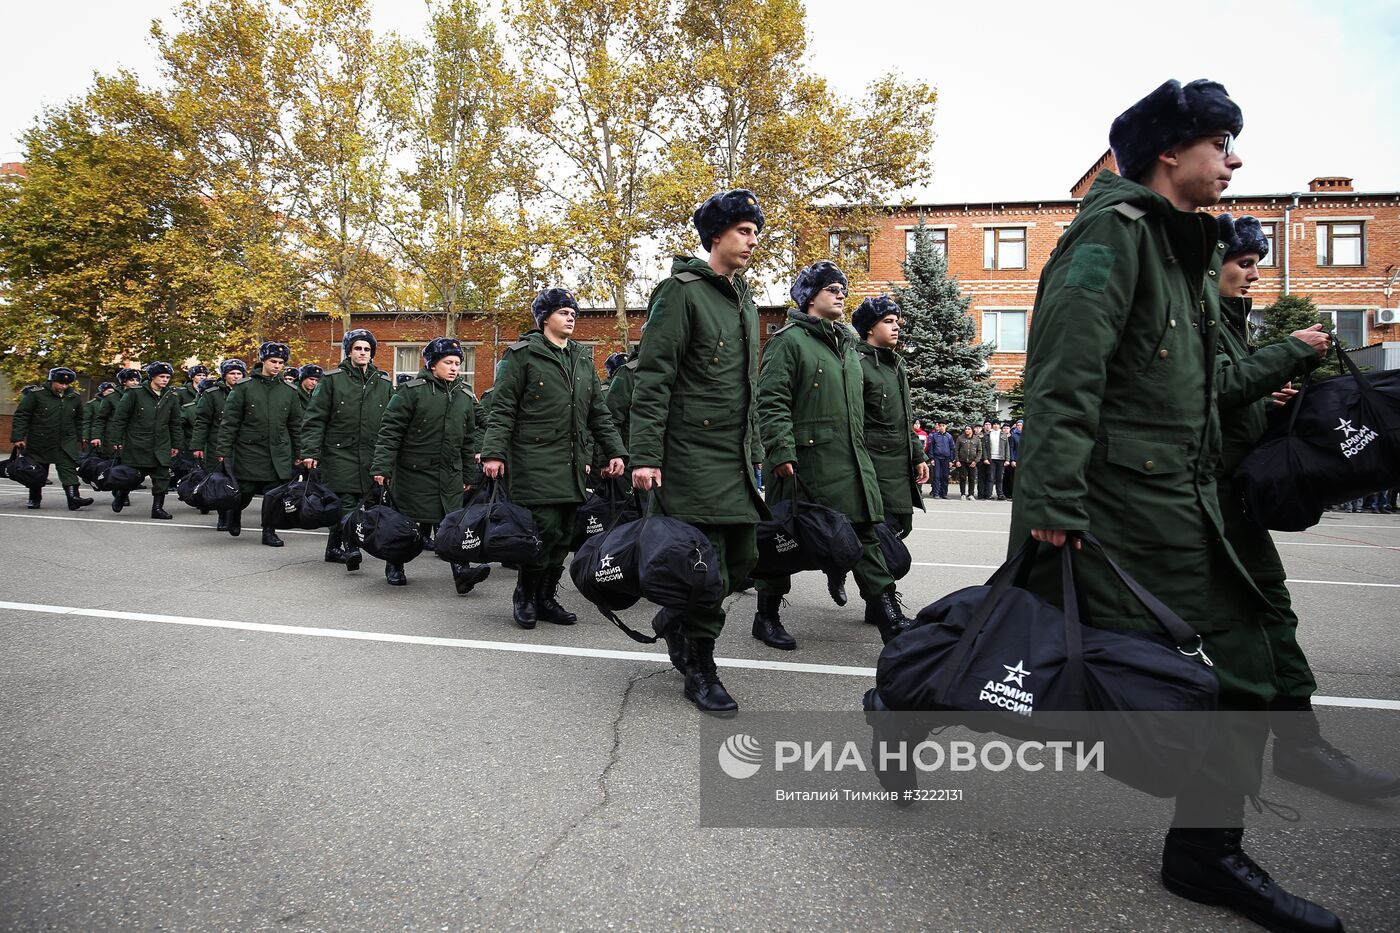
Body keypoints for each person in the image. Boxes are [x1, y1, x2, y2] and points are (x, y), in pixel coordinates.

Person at [1008, 79, 1344, 932]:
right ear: (1172, 151)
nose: (1235, 161)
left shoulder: (1182, 251)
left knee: (1237, 662)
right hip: (1115, 507)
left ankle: (1204, 849)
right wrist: (1051, 496)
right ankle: (905, 703)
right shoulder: (1110, 241)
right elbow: (1061, 376)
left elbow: (1207, 384)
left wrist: (1278, 370)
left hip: (1180, 500)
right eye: (1222, 143)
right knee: (1034, 649)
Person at [1214, 214, 1399, 802]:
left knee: (1270, 616)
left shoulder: (1229, 324)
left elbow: (1223, 402)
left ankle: (1299, 747)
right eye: (1243, 265)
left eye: (1256, 266)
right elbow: (1196, 398)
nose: (1252, 277)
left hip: (1228, 500)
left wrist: (1267, 400)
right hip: (1193, 502)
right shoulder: (1192, 320)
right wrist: (1289, 353)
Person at [629, 189, 770, 713]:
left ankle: (674, 619)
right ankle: (701, 666)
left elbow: (749, 390)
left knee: (741, 559)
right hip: (687, 455)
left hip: (732, 459)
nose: (752, 241)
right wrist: (646, 454)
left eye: (755, 232)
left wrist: (754, 450)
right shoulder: (681, 292)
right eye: (744, 231)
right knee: (703, 565)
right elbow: (654, 378)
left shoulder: (746, 303)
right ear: (717, 235)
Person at [752, 263, 903, 650]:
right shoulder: (788, 341)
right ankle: (765, 616)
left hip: (850, 461)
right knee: (783, 542)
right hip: (803, 465)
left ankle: (891, 619)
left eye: (843, 288)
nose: (841, 294)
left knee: (865, 535)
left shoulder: (848, 345)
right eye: (832, 288)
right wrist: (782, 450)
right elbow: (771, 401)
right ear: (809, 296)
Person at [481, 288, 626, 626]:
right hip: (535, 459)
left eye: (573, 312)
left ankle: (546, 597)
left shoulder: (581, 357)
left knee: (565, 532)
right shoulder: (521, 355)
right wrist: (493, 452)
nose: (571, 316)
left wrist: (615, 451)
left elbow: (598, 412)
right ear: (545, 318)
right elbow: (502, 409)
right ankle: (525, 595)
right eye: (563, 312)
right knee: (543, 528)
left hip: (573, 462)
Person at [836, 294, 927, 611]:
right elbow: (852, 423)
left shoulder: (896, 365)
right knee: (881, 539)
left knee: (899, 528)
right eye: (888, 321)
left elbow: (904, 417)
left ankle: (846, 568)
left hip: (898, 468)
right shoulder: (857, 366)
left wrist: (917, 454)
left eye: (897, 321)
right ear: (869, 328)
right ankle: (879, 601)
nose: (896, 327)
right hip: (872, 468)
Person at [370, 337, 483, 589]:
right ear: (433, 364)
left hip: (450, 474)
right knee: (404, 523)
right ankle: (395, 564)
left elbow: (467, 440)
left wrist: (467, 474)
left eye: (457, 363)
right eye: (448, 362)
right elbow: (390, 431)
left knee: (453, 524)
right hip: (414, 473)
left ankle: (462, 572)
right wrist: (381, 467)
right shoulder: (411, 392)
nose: (454, 368)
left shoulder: (464, 395)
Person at [299, 329, 395, 575]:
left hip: (372, 453)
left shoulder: (383, 382)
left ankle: (333, 548)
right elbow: (315, 418)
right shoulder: (332, 380)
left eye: (367, 349)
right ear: (349, 351)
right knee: (346, 504)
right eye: (358, 348)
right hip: (339, 452)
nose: (362, 353)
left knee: (369, 502)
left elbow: (392, 421)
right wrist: (310, 451)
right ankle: (351, 548)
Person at [217, 342, 303, 545]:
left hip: (279, 451)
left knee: (274, 495)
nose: (277, 366)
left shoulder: (289, 391)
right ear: (263, 360)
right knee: (244, 492)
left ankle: (269, 531)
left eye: (281, 363)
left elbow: (296, 425)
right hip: (250, 450)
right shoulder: (244, 388)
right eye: (273, 361)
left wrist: (299, 450)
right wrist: (223, 450)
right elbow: (230, 422)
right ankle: (235, 512)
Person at [107, 362, 183, 519]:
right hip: (138, 442)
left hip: (161, 443)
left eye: (168, 377)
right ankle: (121, 495)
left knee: (162, 476)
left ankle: (157, 508)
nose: (165, 380)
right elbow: (121, 418)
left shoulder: (171, 396)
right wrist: (116, 439)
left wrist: (176, 444)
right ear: (153, 377)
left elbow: (175, 422)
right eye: (162, 377)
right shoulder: (135, 393)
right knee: (133, 476)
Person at [10, 367, 91, 511]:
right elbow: (22, 415)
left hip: (65, 441)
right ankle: (34, 498)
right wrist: (18, 437)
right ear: (51, 381)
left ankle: (74, 498)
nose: (63, 386)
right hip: (41, 440)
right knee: (38, 471)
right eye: (60, 383)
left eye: (66, 384)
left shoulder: (74, 397)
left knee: (68, 469)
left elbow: (79, 419)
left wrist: (82, 437)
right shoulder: (36, 395)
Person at [191, 360, 246, 531]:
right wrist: (197, 446)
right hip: (217, 444)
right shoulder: (212, 394)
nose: (236, 377)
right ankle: (223, 517)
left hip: (242, 446)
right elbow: (202, 422)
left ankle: (235, 516)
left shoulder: (247, 391)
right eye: (232, 373)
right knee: (220, 482)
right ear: (224, 375)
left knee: (240, 482)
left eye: (239, 373)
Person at [91, 368, 142, 458]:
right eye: (131, 380)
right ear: (124, 382)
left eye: (137, 380)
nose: (135, 383)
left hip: (134, 439)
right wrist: (96, 436)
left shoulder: (141, 397)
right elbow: (101, 419)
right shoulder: (111, 398)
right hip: (113, 438)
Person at [81, 382, 116, 451]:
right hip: (95, 435)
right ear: (102, 391)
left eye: (113, 392)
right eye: (109, 391)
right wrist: (85, 436)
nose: (112, 393)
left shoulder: (116, 403)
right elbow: (86, 421)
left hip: (110, 435)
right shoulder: (92, 404)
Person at [928, 419, 955, 500]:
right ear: (938, 427)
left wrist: (951, 460)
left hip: (946, 459)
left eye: (943, 426)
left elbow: (952, 449)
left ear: (946, 426)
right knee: (936, 476)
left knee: (945, 476)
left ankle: (944, 494)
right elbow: (931, 448)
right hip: (937, 459)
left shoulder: (949, 437)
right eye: (940, 426)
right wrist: (932, 458)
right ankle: (936, 493)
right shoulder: (934, 436)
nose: (942, 427)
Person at [952, 425, 978, 500]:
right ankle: (963, 493)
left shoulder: (976, 439)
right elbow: (956, 450)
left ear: (972, 430)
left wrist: (975, 461)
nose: (967, 430)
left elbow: (979, 450)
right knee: (962, 478)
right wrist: (957, 460)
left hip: (972, 462)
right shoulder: (960, 438)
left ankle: (971, 494)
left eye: (969, 429)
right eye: (966, 429)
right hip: (962, 461)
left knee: (972, 478)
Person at [1001, 423, 1017, 500]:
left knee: (1010, 477)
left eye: (1007, 428)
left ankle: (1009, 493)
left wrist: (1011, 460)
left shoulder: (1012, 437)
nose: (1005, 429)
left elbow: (1011, 449)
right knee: (1002, 478)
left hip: (1010, 460)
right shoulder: (1000, 437)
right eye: (1004, 428)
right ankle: (1003, 493)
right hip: (1001, 459)